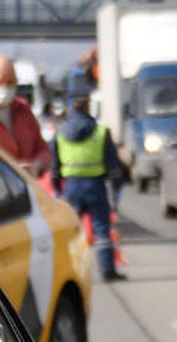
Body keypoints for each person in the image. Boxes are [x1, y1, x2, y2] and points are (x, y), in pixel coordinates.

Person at [51, 73, 126, 281]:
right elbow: (114, 168)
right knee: (102, 231)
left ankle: (68, 275)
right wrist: (117, 195)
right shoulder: (101, 132)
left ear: (70, 105)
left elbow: (54, 168)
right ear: (87, 105)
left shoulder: (60, 132)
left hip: (71, 188)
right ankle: (108, 271)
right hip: (95, 187)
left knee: (71, 233)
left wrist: (57, 191)